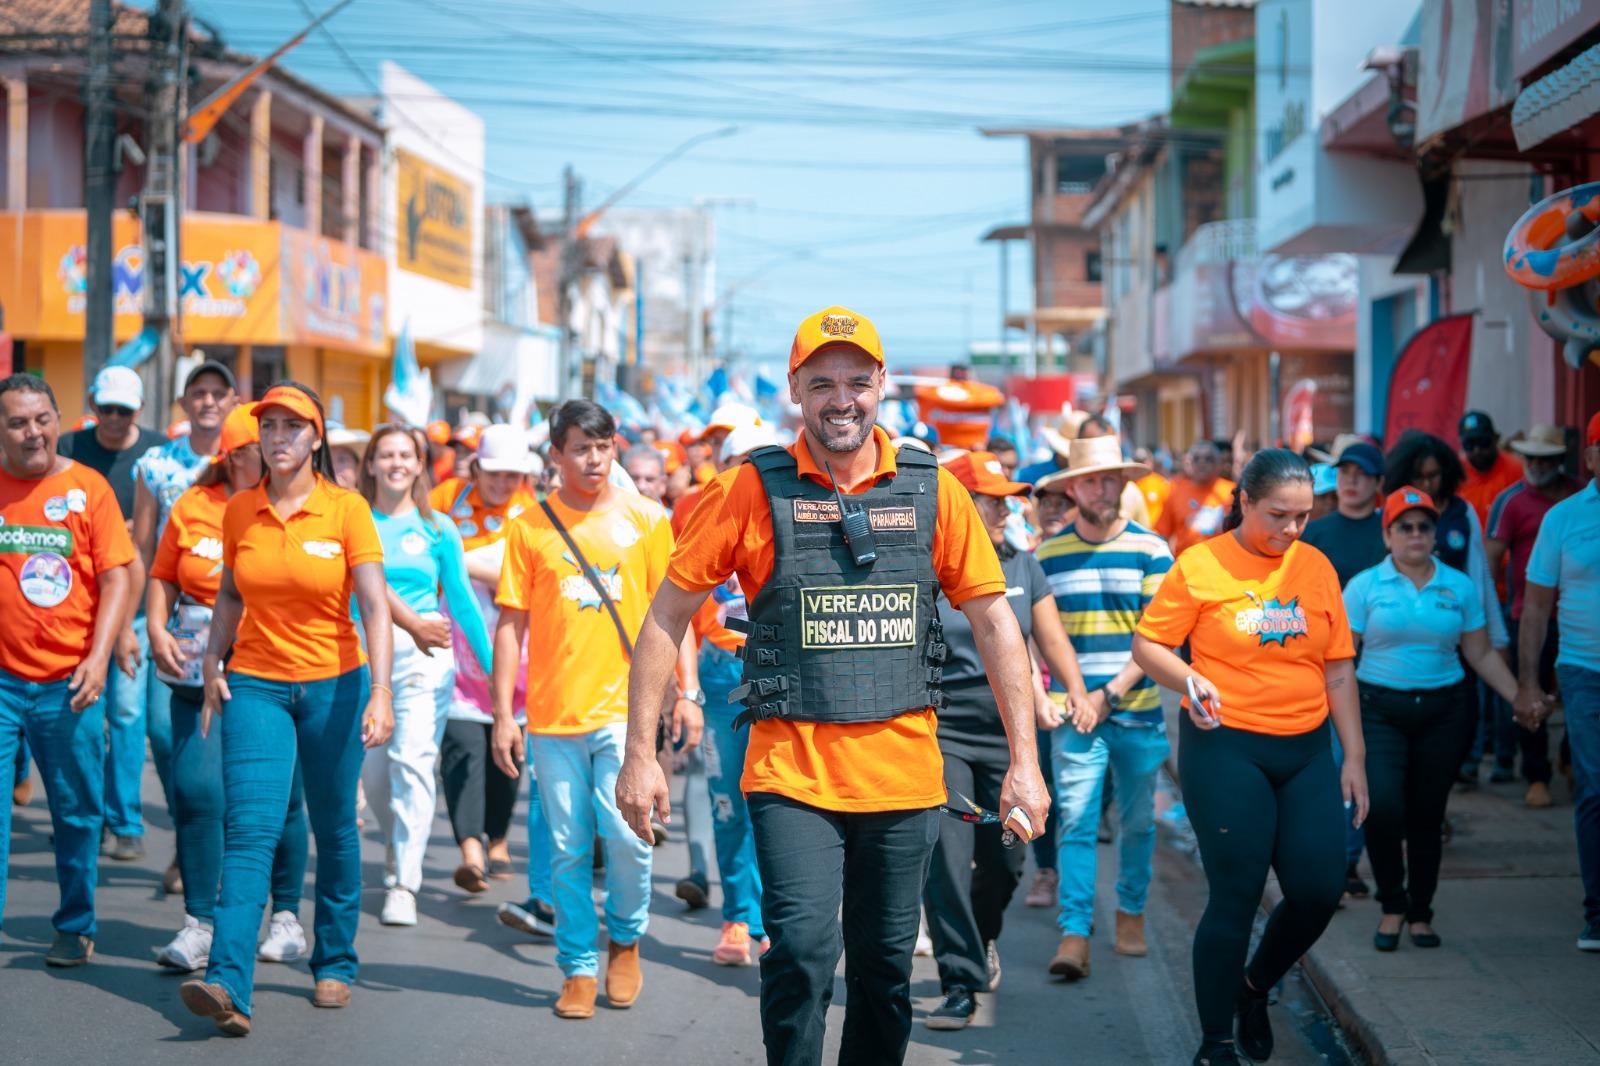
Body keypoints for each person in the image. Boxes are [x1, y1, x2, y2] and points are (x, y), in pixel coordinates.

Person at [617, 306, 1050, 1066]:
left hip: (906, 778)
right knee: (802, 961)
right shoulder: (748, 490)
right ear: (795, 390)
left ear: (882, 384)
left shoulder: (934, 490)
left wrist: (1025, 762)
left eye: (856, 381)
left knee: (883, 977)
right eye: (822, 383)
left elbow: (994, 621)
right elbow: (665, 615)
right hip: (792, 778)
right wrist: (640, 755)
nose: (840, 399)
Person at [1132, 448, 1367, 1066]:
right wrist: (1188, 680)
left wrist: (1355, 757)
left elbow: (1338, 665)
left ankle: (1252, 986)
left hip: (1309, 748)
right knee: (1235, 894)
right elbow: (1150, 645)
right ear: (1244, 502)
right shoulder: (1200, 564)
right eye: (1278, 516)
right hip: (1227, 747)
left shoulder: (1315, 567)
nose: (1291, 530)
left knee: (1318, 890)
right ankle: (1215, 1045)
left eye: (1303, 517)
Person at [179, 382, 394, 1036]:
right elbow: (227, 596)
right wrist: (212, 664)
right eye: (268, 427)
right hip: (257, 685)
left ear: (317, 438)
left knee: (334, 827)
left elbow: (377, 606)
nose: (278, 438)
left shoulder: (347, 509)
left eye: (292, 427)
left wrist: (382, 690)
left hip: (336, 684)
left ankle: (334, 959)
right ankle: (228, 983)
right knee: (249, 828)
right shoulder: (240, 510)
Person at [487, 399, 694, 1021]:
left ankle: (625, 940)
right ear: (555, 455)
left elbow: (676, 613)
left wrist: (687, 693)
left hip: (626, 716)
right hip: (552, 718)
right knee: (567, 848)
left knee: (628, 839)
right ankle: (577, 964)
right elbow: (509, 626)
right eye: (581, 447)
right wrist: (504, 713)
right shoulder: (529, 527)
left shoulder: (649, 519)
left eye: (603, 446)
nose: (595, 458)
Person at [923, 450, 1089, 1029]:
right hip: (939, 730)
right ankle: (960, 981)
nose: (1005, 510)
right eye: (993, 499)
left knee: (1007, 861)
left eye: (1008, 499)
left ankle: (983, 936)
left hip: (1008, 733)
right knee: (945, 858)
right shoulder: (927, 565)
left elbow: (1050, 638)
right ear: (961, 503)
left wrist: (1073, 690)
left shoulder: (1023, 565)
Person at [146, 403, 309, 972]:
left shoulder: (290, 504)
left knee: (279, 798)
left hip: (270, 667)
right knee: (195, 789)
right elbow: (162, 573)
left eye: (256, 445)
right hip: (197, 667)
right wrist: (152, 626)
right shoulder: (195, 504)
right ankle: (199, 925)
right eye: (242, 449)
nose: (255, 454)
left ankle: (285, 915)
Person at [1345, 485, 1523, 951]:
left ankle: (1420, 912)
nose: (1416, 534)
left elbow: (1480, 653)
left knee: (1427, 815)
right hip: (1379, 711)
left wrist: (1519, 697)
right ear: (1388, 536)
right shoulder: (1364, 587)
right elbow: (1342, 659)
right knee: (1382, 807)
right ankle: (1392, 906)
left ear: (1435, 534)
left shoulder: (1458, 586)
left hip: (1444, 713)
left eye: (1425, 526)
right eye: (1405, 527)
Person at [0, 374, 134, 967]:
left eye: (40, 419)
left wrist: (99, 658)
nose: (32, 432)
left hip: (70, 684)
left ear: (59, 419)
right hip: (3, 683)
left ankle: (75, 921)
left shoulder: (89, 489)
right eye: (17, 422)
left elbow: (116, 578)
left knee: (77, 810)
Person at [1035, 435, 1174, 981]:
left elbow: (1158, 638)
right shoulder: (1047, 555)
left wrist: (1108, 693)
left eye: (1109, 478)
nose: (1100, 488)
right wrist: (1064, 695)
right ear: (1073, 488)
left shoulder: (1152, 549)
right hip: (1076, 715)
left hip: (1135, 709)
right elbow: (1043, 638)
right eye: (1090, 479)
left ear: (1123, 484)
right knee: (1076, 822)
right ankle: (1075, 931)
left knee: (1139, 824)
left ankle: (1131, 912)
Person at [359, 424, 493, 927]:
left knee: (412, 764)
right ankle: (398, 847)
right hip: (361, 656)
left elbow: (460, 600)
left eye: (406, 455)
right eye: (386, 454)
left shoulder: (438, 528)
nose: (396, 463)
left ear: (419, 465)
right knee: (376, 777)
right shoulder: (355, 521)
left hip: (425, 656)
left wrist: (491, 673)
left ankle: (404, 883)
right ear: (371, 463)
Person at [131, 359, 239, 894]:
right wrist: (143, 621)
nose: (209, 402)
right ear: (183, 403)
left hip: (242, 630)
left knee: (224, 746)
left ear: (233, 400)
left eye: (219, 393)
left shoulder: (248, 459)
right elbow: (144, 549)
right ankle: (188, 831)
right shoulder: (156, 464)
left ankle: (208, 842)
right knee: (160, 728)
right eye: (199, 392)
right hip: (174, 620)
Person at [681, 419, 783, 966]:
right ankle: (737, 918)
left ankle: (775, 922)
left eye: (760, 458)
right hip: (721, 673)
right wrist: (688, 689)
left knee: (778, 802)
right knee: (728, 804)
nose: (751, 470)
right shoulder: (700, 510)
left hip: (777, 675)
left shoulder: (797, 509)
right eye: (738, 458)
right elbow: (679, 606)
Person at [429, 425, 541, 902]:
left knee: (507, 751)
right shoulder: (444, 502)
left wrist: (461, 562)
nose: (502, 483)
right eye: (494, 473)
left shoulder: (533, 512)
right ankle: (470, 848)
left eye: (512, 474)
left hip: (515, 652)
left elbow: (528, 574)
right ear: (475, 467)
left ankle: (497, 838)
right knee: (461, 751)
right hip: (455, 655)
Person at [57, 365, 163, 863]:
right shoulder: (67, 450)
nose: (115, 418)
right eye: (106, 408)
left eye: (124, 409)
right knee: (81, 715)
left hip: (135, 610)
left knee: (126, 714)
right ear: (93, 406)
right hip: (76, 607)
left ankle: (125, 821)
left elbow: (159, 530)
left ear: (139, 410)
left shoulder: (158, 454)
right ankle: (84, 817)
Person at [1515, 411, 1600, 952]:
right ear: (1590, 458)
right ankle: (1597, 913)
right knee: (1594, 785)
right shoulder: (1564, 519)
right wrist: (1527, 683)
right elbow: (1536, 608)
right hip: (1584, 670)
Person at [1299, 438, 1388, 896]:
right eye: (1345, 472)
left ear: (1378, 483)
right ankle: (1344, 861)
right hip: (1328, 669)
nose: (1351, 481)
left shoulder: (1389, 531)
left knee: (1372, 766)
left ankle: (1363, 856)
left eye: (1361, 474)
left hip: (1386, 671)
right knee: (1338, 763)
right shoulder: (1318, 531)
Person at [1485, 423, 1583, 804]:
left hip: (1578, 614)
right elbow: (1493, 558)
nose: (1537, 465)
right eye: (1530, 457)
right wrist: (1500, 609)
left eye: (1545, 458)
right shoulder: (1510, 501)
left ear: (1559, 460)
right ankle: (1536, 774)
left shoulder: (1579, 495)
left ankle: (1571, 759)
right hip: (1528, 613)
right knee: (1531, 691)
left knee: (1580, 690)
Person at [1155, 439, 1236, 559]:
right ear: (1190, 463)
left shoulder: (1232, 492)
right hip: (1186, 569)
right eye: (1197, 459)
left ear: (1219, 464)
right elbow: (1161, 535)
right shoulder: (1176, 493)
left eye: (1209, 459)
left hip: (1223, 567)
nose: (1202, 463)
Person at [1458, 411, 1523, 531]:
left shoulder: (1516, 469)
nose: (1477, 450)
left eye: (1483, 442)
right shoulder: (1456, 472)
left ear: (1495, 439)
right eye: (1469, 444)